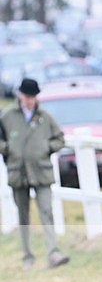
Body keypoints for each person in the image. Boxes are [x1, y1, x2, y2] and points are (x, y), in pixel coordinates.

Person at [0, 78, 69, 269]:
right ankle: (27, 256)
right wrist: (8, 149)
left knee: (46, 210)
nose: (30, 100)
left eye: (33, 96)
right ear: (20, 95)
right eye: (27, 96)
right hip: (18, 172)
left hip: (41, 171)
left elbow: (60, 139)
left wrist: (46, 147)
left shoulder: (45, 117)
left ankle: (53, 253)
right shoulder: (7, 116)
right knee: (23, 215)